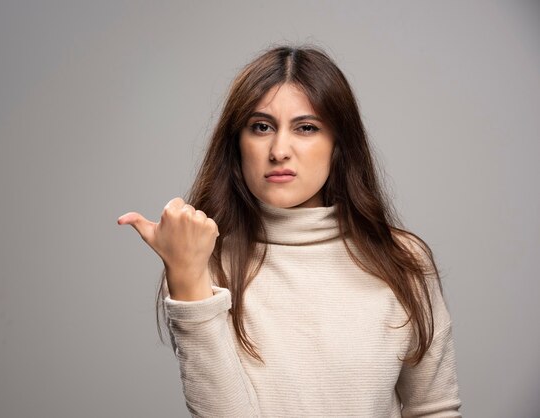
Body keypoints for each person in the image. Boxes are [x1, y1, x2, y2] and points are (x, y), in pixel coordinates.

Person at [118, 45, 462, 417]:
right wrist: (186, 276)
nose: (279, 150)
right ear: (238, 144)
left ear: (338, 145)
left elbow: (434, 409)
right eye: (261, 127)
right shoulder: (204, 262)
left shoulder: (401, 260)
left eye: (306, 128)